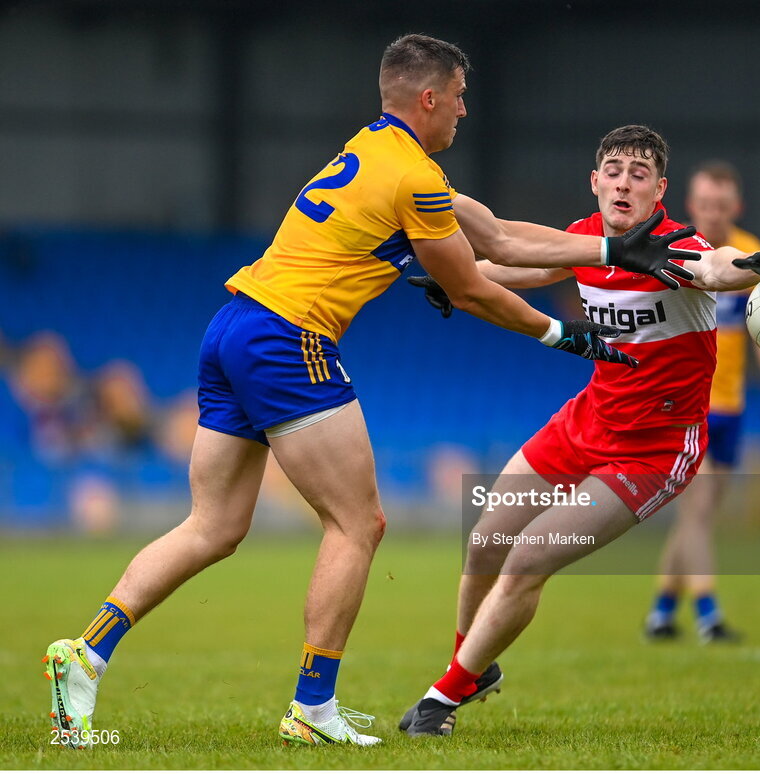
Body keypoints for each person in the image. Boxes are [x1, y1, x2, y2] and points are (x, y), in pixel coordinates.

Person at [42, 36, 697, 751]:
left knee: (214, 525)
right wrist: (559, 337)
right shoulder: (414, 177)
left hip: (232, 325)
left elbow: (502, 238)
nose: (463, 110)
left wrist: (609, 249)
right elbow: (471, 284)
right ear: (429, 99)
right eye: (457, 96)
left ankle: (88, 653)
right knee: (358, 524)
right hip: (288, 339)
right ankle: (311, 706)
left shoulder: (372, 150)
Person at [400, 125, 760, 736]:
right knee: (486, 538)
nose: (625, 182)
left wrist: (756, 267)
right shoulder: (584, 239)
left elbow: (716, 267)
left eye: (639, 173)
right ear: (595, 181)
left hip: (652, 450)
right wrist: (461, 281)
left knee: (527, 558)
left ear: (660, 191)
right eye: (615, 169)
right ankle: (473, 665)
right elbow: (528, 269)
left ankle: (443, 698)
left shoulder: (677, 248)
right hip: (584, 423)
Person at [644, 160, 760, 644]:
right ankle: (709, 616)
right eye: (704, 204)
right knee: (699, 512)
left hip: (730, 408)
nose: (711, 212)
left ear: (736, 206)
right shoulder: (674, 250)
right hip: (689, 405)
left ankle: (663, 611)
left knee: (698, 517)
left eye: (720, 206)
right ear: (692, 204)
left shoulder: (749, 256)